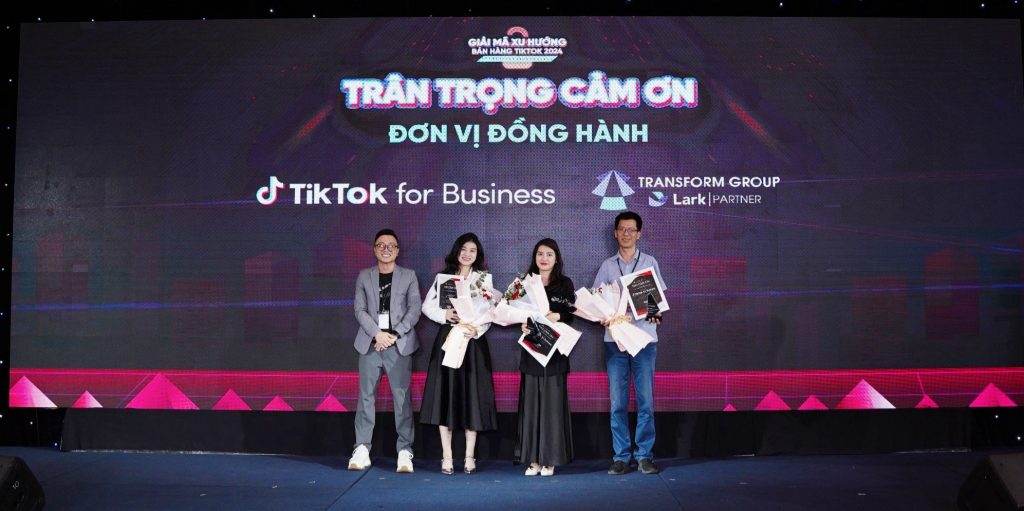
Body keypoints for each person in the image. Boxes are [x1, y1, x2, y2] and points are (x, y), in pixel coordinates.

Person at [593, 211, 666, 476]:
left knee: (645, 401)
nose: (626, 234)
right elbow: (596, 300)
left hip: (644, 339)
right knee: (618, 403)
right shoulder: (607, 266)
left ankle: (644, 455)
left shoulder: (649, 262)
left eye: (631, 229)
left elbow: (656, 302)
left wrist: (655, 312)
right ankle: (621, 456)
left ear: (639, 233)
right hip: (615, 341)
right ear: (615, 233)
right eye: (622, 229)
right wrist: (601, 315)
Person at [420, 233, 498, 475]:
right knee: (445, 396)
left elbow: (491, 311)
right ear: (456, 251)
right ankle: (447, 456)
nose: (467, 254)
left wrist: (478, 329)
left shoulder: (483, 279)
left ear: (478, 255)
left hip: (473, 342)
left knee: (471, 397)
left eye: (472, 250)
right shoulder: (443, 278)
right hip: (449, 339)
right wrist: (444, 315)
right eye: (464, 249)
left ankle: (469, 456)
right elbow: (427, 306)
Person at [348, 229, 422, 473]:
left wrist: (393, 334)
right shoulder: (364, 276)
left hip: (398, 344)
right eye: (381, 245)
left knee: (402, 398)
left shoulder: (409, 276)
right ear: (374, 249)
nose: (386, 249)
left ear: (398, 250)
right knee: (366, 397)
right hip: (371, 343)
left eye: (391, 245)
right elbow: (359, 310)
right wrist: (377, 334)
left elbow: (414, 309)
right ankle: (362, 448)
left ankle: (405, 450)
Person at [511, 238, 575, 477]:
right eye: (540, 253)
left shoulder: (564, 283)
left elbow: (571, 312)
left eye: (549, 254)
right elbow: (510, 310)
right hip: (532, 350)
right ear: (534, 257)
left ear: (556, 258)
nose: (544, 258)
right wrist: (522, 323)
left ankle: (550, 459)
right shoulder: (524, 282)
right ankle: (533, 459)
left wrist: (558, 316)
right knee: (531, 406)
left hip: (555, 351)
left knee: (552, 407)